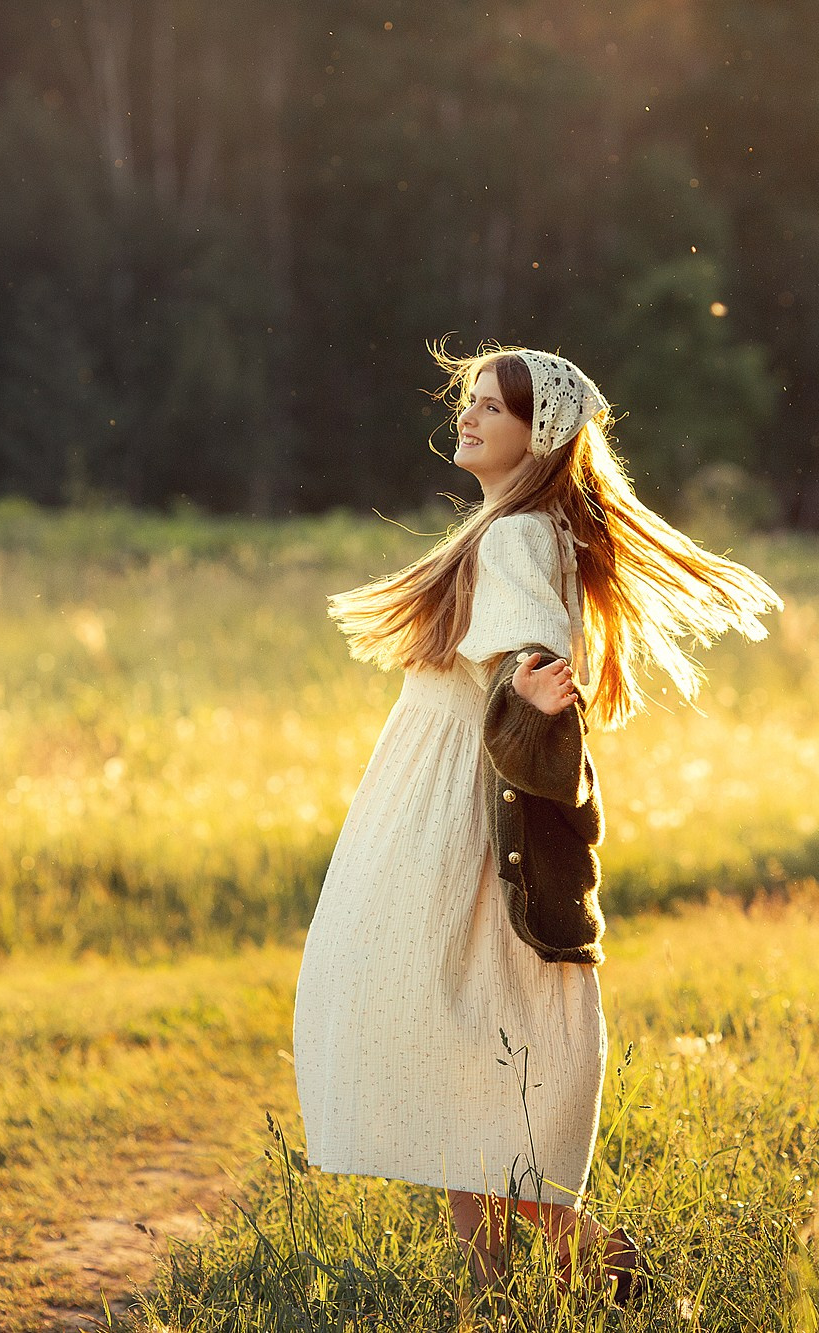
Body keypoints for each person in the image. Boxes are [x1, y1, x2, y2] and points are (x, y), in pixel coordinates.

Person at [291, 341, 783, 1305]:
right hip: (435, 795)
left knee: (449, 1024)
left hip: (453, 817)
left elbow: (535, 656)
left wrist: (534, 686)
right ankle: (508, 1285)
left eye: (493, 408)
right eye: (468, 400)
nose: (468, 416)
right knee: (459, 1043)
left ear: (538, 436)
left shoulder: (516, 537)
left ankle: (588, 1266)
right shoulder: (512, 525)